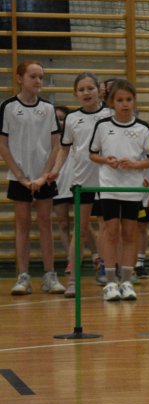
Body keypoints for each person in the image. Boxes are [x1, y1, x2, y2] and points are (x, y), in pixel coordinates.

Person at [89, 80, 149, 302]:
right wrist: (107, 160)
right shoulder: (102, 126)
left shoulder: (142, 128)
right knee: (111, 231)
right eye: (120, 100)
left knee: (129, 232)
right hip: (109, 187)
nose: (125, 104)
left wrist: (136, 165)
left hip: (132, 188)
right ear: (112, 102)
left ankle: (127, 281)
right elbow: (93, 154)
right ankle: (110, 282)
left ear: (134, 101)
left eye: (129, 99)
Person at [0, 60, 66, 295]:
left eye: (41, 77)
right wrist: (21, 177)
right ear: (20, 78)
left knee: (46, 224)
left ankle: (50, 276)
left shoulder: (48, 108)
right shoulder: (8, 107)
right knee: (22, 225)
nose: (38, 81)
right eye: (33, 76)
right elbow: (2, 144)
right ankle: (23, 277)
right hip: (20, 178)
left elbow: (56, 145)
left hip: (43, 177)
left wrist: (43, 176)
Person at [57, 72, 111, 297]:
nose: (86, 93)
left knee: (107, 229)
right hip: (82, 181)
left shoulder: (110, 114)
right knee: (79, 231)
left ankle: (109, 277)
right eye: (81, 89)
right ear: (75, 94)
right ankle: (72, 280)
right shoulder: (72, 118)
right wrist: (54, 171)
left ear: (99, 90)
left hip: (107, 181)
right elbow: (64, 149)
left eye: (90, 88)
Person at [52, 106, 74, 278]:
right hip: (58, 185)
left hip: (75, 183)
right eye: (56, 119)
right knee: (63, 223)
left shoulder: (74, 136)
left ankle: (97, 257)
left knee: (84, 224)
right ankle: (70, 260)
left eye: (62, 118)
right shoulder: (48, 139)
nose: (59, 122)